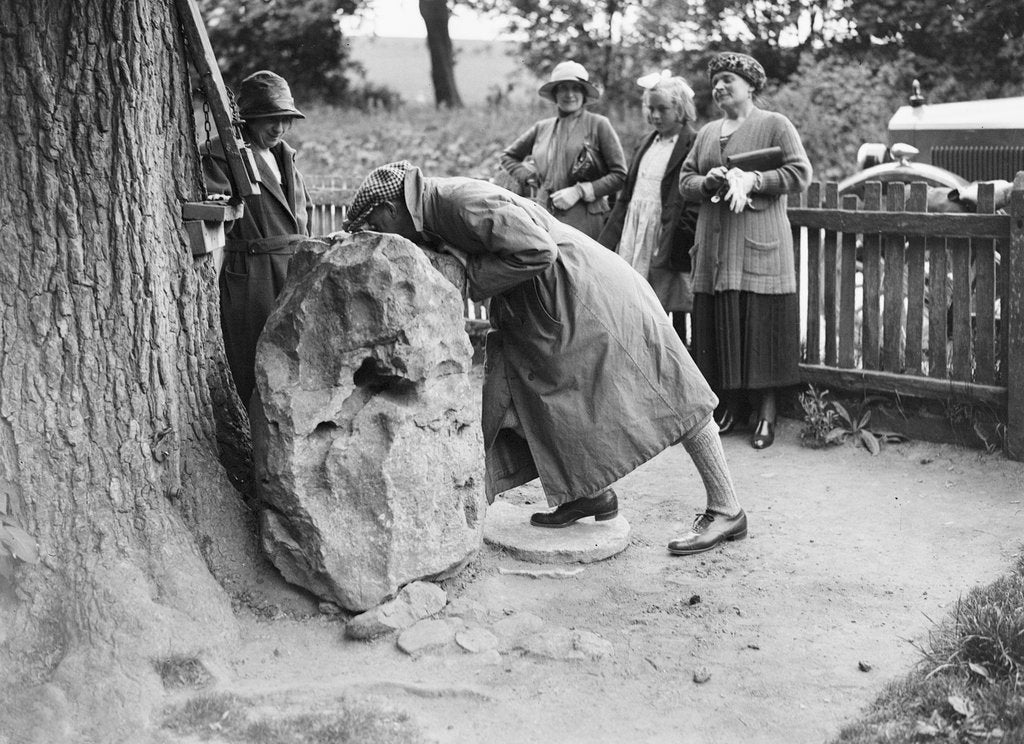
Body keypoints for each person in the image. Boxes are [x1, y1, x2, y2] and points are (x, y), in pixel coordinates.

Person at [341, 161, 746, 557]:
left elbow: (537, 249)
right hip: (548, 303)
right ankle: (590, 495)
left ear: (390, 209)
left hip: (590, 294)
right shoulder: (430, 209)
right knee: (526, 397)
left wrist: (469, 277)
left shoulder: (459, 203)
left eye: (377, 228)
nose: (383, 238)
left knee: (669, 388)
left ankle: (727, 509)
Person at [679, 52, 812, 449]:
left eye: (728, 80)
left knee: (761, 329)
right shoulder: (706, 133)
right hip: (716, 248)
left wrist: (754, 179)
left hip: (759, 246)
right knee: (721, 326)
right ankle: (731, 409)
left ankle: (766, 416)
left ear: (751, 86)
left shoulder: (775, 125)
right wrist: (708, 181)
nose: (719, 87)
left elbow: (800, 173)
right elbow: (686, 180)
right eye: (716, 81)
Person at [202, 70, 312, 406]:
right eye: (269, 119)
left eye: (285, 119)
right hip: (251, 277)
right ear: (249, 120)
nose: (278, 128)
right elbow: (214, 213)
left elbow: (301, 212)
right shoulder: (224, 154)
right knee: (252, 366)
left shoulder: (285, 157)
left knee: (295, 362)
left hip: (293, 272)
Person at [598, 72, 700, 346]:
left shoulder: (694, 143)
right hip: (636, 228)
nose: (654, 115)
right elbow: (627, 196)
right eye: (650, 108)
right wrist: (607, 242)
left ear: (680, 109)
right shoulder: (646, 142)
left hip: (666, 232)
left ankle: (677, 357)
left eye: (662, 109)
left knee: (669, 301)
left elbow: (691, 200)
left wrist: (678, 237)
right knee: (635, 300)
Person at [500, 60, 627, 239]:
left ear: (584, 93)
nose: (569, 94)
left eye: (575, 88)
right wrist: (529, 177)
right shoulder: (542, 128)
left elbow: (620, 175)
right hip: (544, 215)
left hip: (585, 219)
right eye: (563, 88)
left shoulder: (598, 124)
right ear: (555, 94)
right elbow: (508, 156)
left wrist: (579, 191)